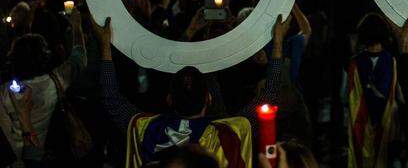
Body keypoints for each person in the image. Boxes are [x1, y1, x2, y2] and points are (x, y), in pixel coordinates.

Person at [98, 13, 290, 167]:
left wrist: (105, 46)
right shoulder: (227, 134)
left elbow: (111, 98)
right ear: (209, 98)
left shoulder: (146, 128)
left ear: (169, 99)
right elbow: (270, 96)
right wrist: (278, 43)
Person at [0, 8, 87, 166]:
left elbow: (5, 132)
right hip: (47, 155)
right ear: (44, 56)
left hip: (16, 161)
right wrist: (76, 27)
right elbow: (79, 57)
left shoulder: (5, 92)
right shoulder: (55, 80)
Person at [346, 12, 406, 168]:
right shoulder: (391, 61)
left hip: (361, 124)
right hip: (387, 123)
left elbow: (346, 96)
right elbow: (397, 93)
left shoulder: (354, 63)